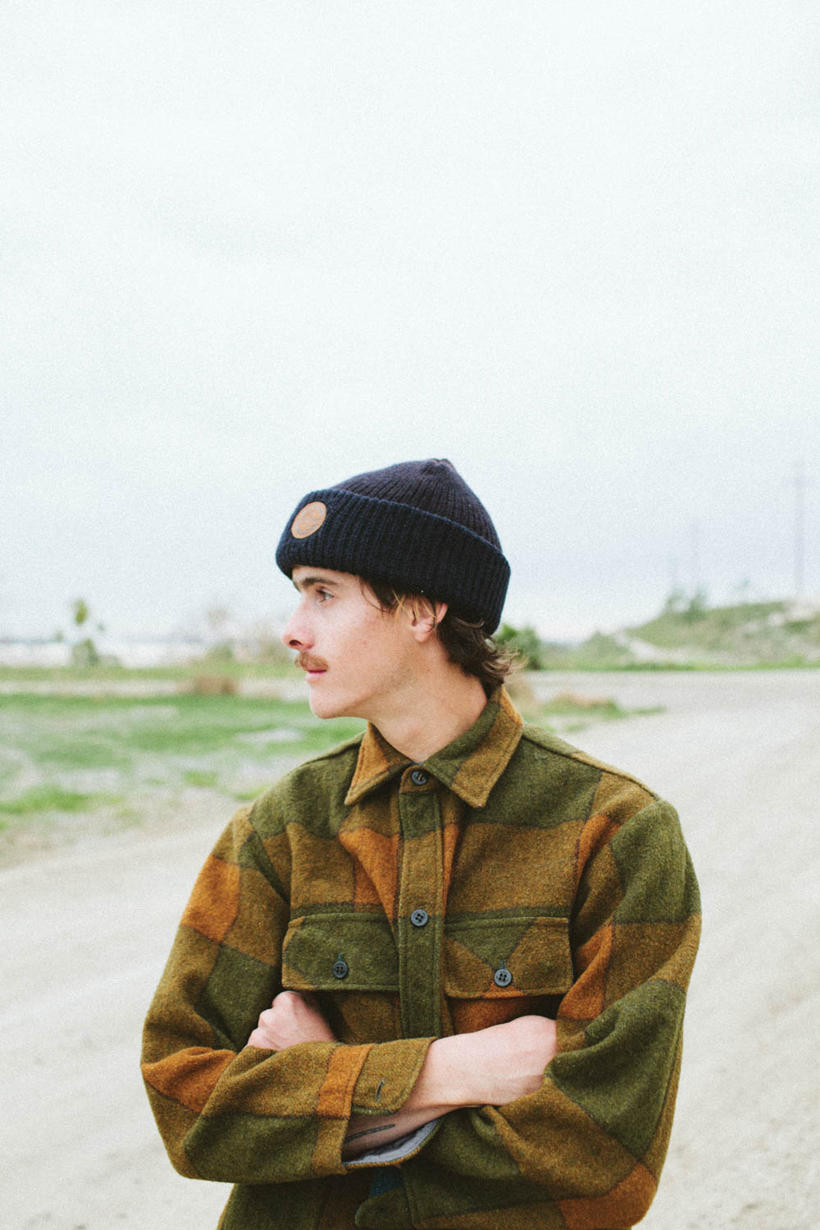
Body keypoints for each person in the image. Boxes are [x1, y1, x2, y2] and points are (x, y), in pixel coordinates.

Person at [142, 458, 701, 1230]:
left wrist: (322, 1091)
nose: (292, 629)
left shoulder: (618, 833)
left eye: (323, 594)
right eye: (298, 593)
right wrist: (447, 1073)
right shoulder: (280, 830)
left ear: (422, 610)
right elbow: (186, 1102)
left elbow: (603, 1158)